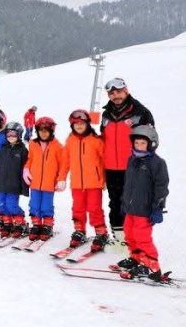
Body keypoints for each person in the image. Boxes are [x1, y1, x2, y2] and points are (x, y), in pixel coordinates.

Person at [100, 77, 154, 241]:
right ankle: (120, 239)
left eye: (118, 92)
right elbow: (103, 141)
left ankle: (135, 239)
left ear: (126, 90)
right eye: (112, 93)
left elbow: (150, 142)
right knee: (115, 203)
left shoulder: (141, 112)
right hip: (111, 169)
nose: (115, 96)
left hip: (133, 167)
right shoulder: (106, 114)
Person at [116, 125, 169, 282]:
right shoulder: (131, 159)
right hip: (131, 208)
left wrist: (157, 207)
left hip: (145, 210)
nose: (139, 146)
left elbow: (161, 188)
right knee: (130, 234)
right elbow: (128, 184)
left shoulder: (158, 163)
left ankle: (152, 266)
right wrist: (124, 202)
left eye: (143, 143)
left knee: (142, 238)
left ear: (151, 144)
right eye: (137, 143)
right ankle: (136, 258)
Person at [60, 109, 108, 247]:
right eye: (76, 124)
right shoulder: (70, 141)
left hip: (94, 183)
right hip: (76, 183)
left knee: (94, 208)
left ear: (88, 124)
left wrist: (105, 179)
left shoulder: (96, 140)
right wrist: (62, 178)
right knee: (77, 208)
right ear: (72, 126)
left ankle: (101, 233)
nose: (79, 126)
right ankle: (79, 231)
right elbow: (65, 161)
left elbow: (105, 160)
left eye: (82, 123)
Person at [23, 117, 63, 242]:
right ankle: (36, 224)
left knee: (46, 205)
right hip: (35, 182)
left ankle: (47, 225)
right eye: (41, 130)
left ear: (51, 131)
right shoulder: (33, 144)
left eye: (46, 130)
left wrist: (60, 179)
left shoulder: (58, 146)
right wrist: (26, 169)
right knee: (34, 204)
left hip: (49, 183)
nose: (43, 133)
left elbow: (62, 164)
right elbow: (30, 159)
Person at [0, 122, 29, 238]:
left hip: (14, 185)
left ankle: (20, 223)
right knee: (1, 205)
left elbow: (25, 170)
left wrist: (24, 186)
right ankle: (7, 223)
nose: (11, 137)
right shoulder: (3, 149)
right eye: (8, 134)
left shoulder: (22, 150)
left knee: (11, 205)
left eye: (14, 134)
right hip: (1, 184)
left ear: (19, 135)